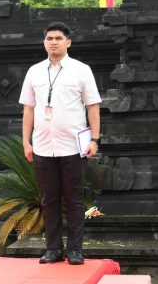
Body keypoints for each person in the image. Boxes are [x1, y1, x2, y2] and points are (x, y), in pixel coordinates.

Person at [19, 21, 102, 266]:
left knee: (74, 199)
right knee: (49, 199)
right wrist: (26, 141)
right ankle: (53, 248)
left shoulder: (81, 70)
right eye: (49, 38)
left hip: (73, 146)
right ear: (44, 42)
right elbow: (28, 109)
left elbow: (93, 107)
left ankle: (75, 250)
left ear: (68, 42)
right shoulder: (34, 71)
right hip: (43, 145)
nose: (53, 42)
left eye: (58, 38)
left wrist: (95, 139)